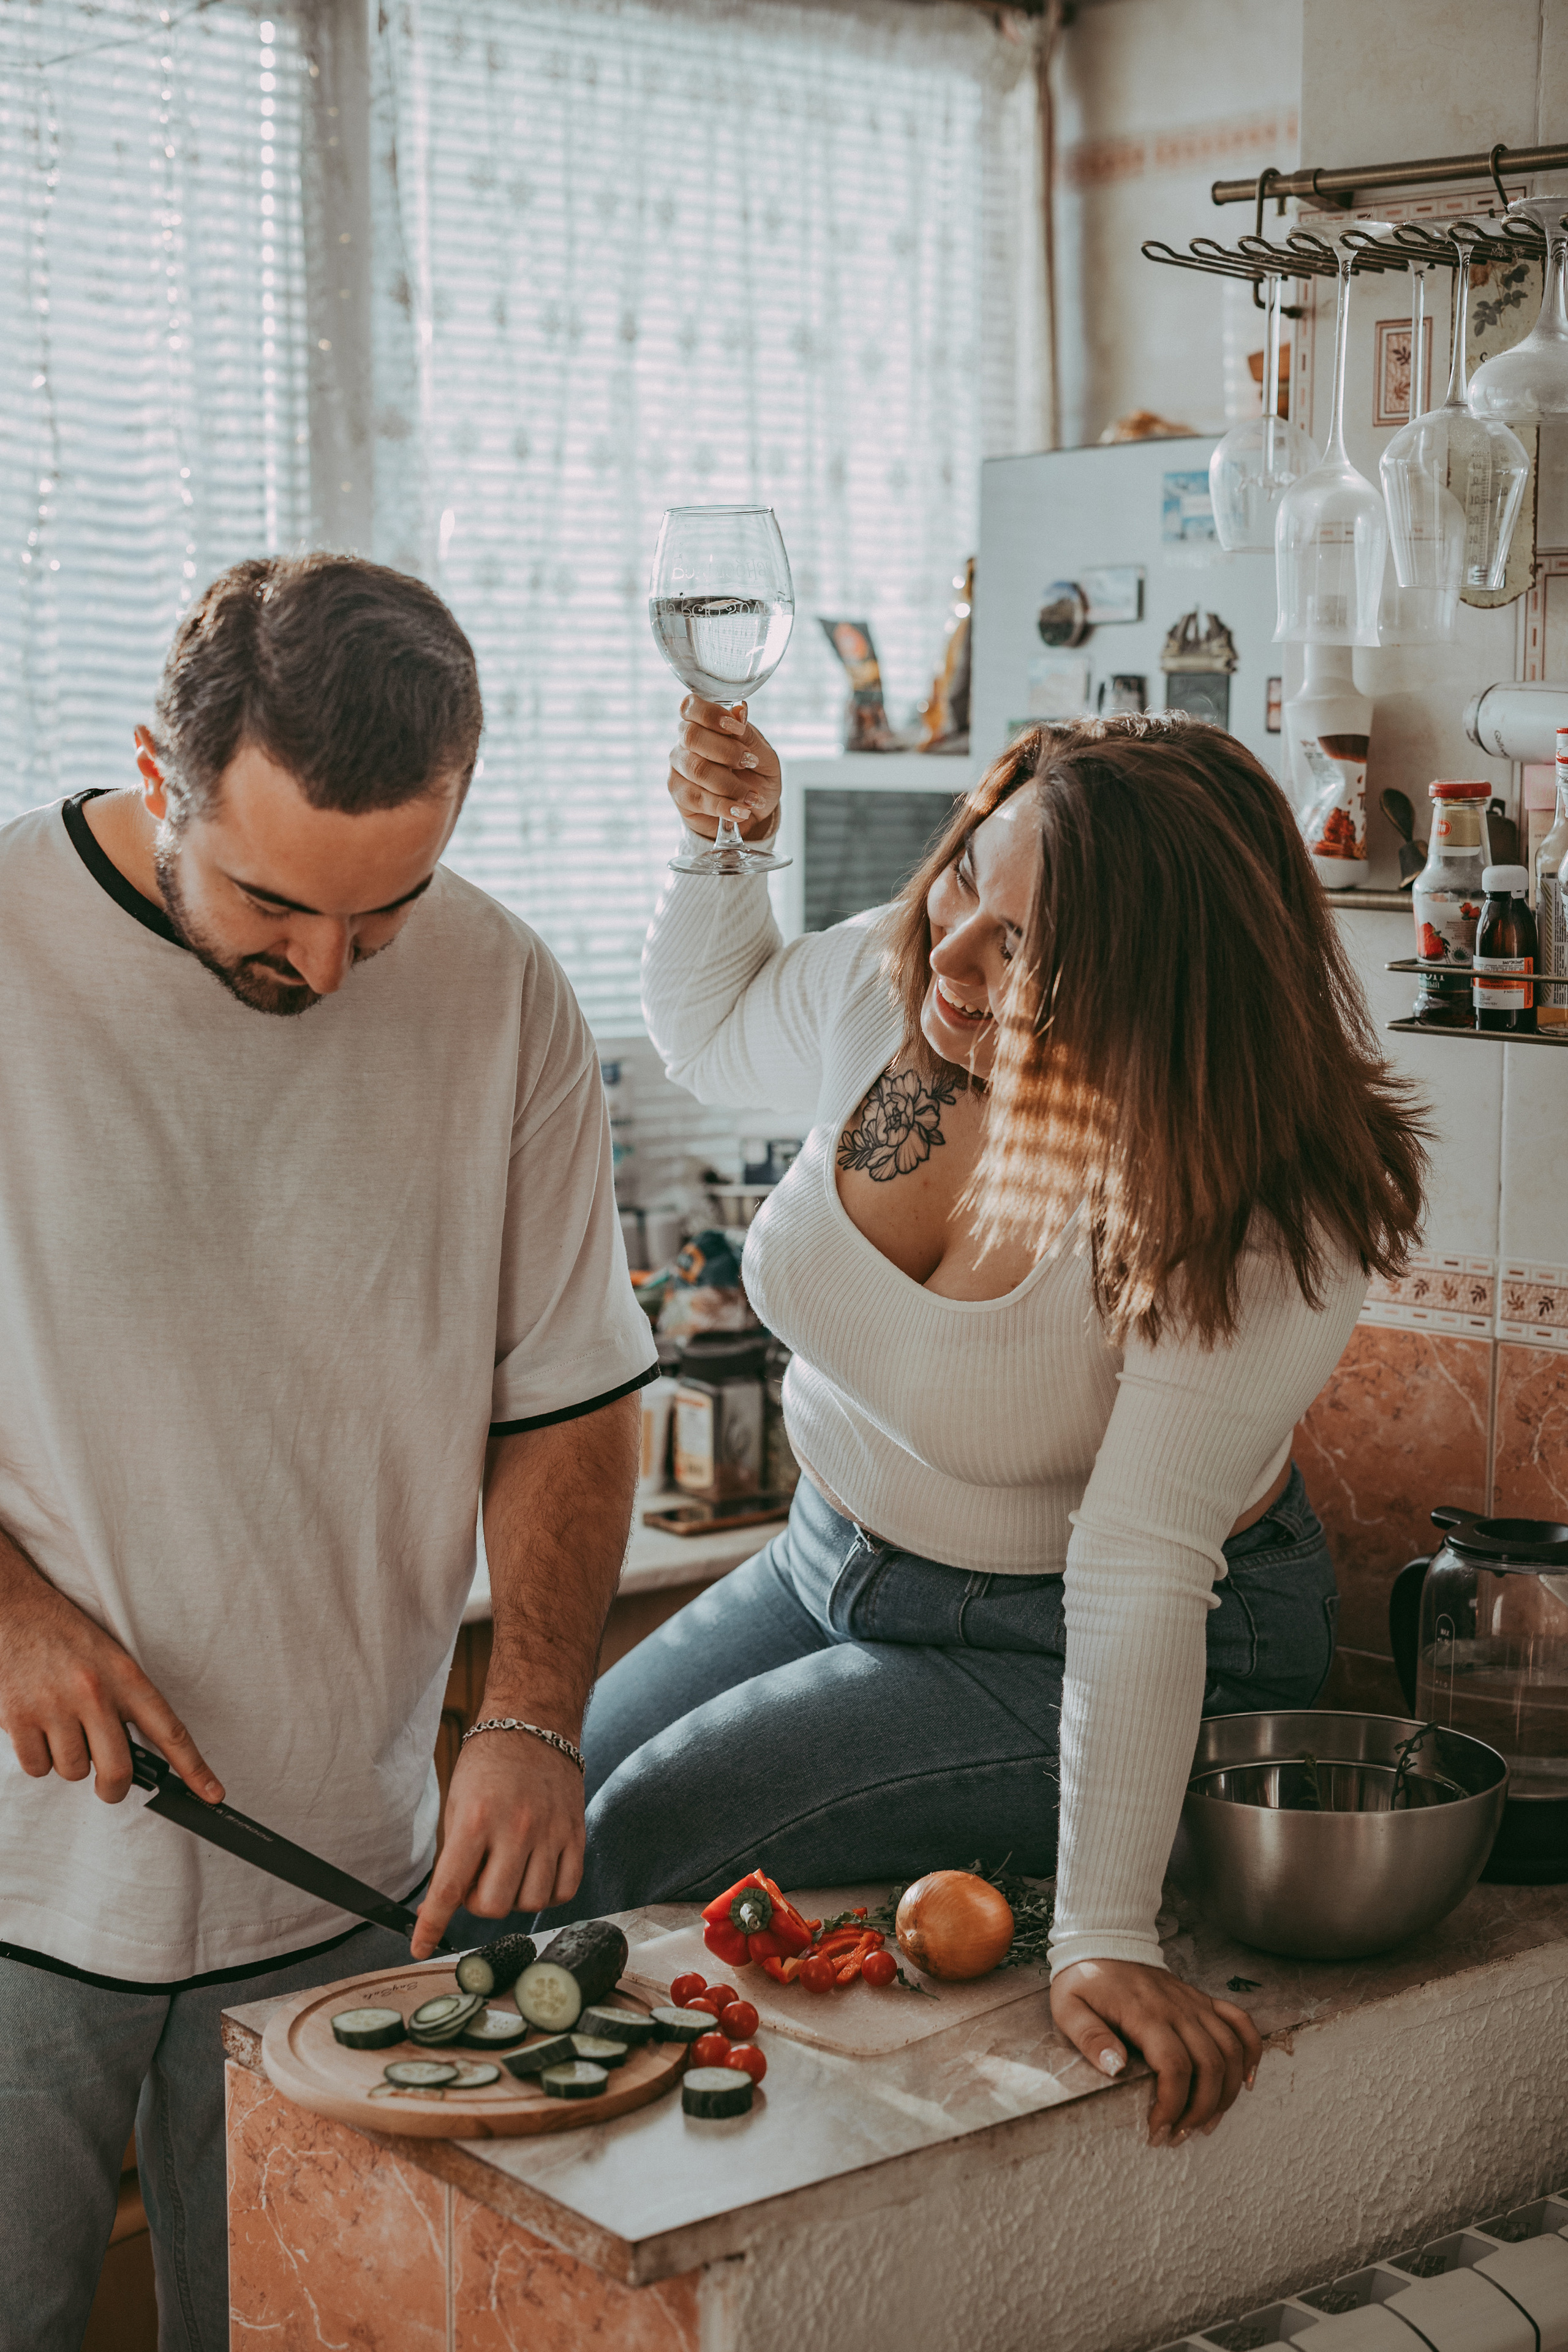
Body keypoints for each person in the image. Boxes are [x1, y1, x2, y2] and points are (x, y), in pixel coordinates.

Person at [554, 701, 1427, 2148]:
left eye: (1026, 944)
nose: (948, 952)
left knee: (628, 1840)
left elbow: (1139, 1564)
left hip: (1086, 1630)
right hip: (830, 1561)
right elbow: (707, 1033)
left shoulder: (1262, 1215)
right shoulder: (894, 982)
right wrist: (727, 850)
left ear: (1158, 985)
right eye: (965, 872)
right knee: (553, 1798)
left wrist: (1102, 1932)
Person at [0, 554, 656, 2351]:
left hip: (345, 1875)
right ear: (160, 774)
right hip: (17, 1880)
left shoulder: (506, 991)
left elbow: (571, 1397)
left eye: (388, 914)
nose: (326, 968)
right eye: (276, 904)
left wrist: (530, 1716)